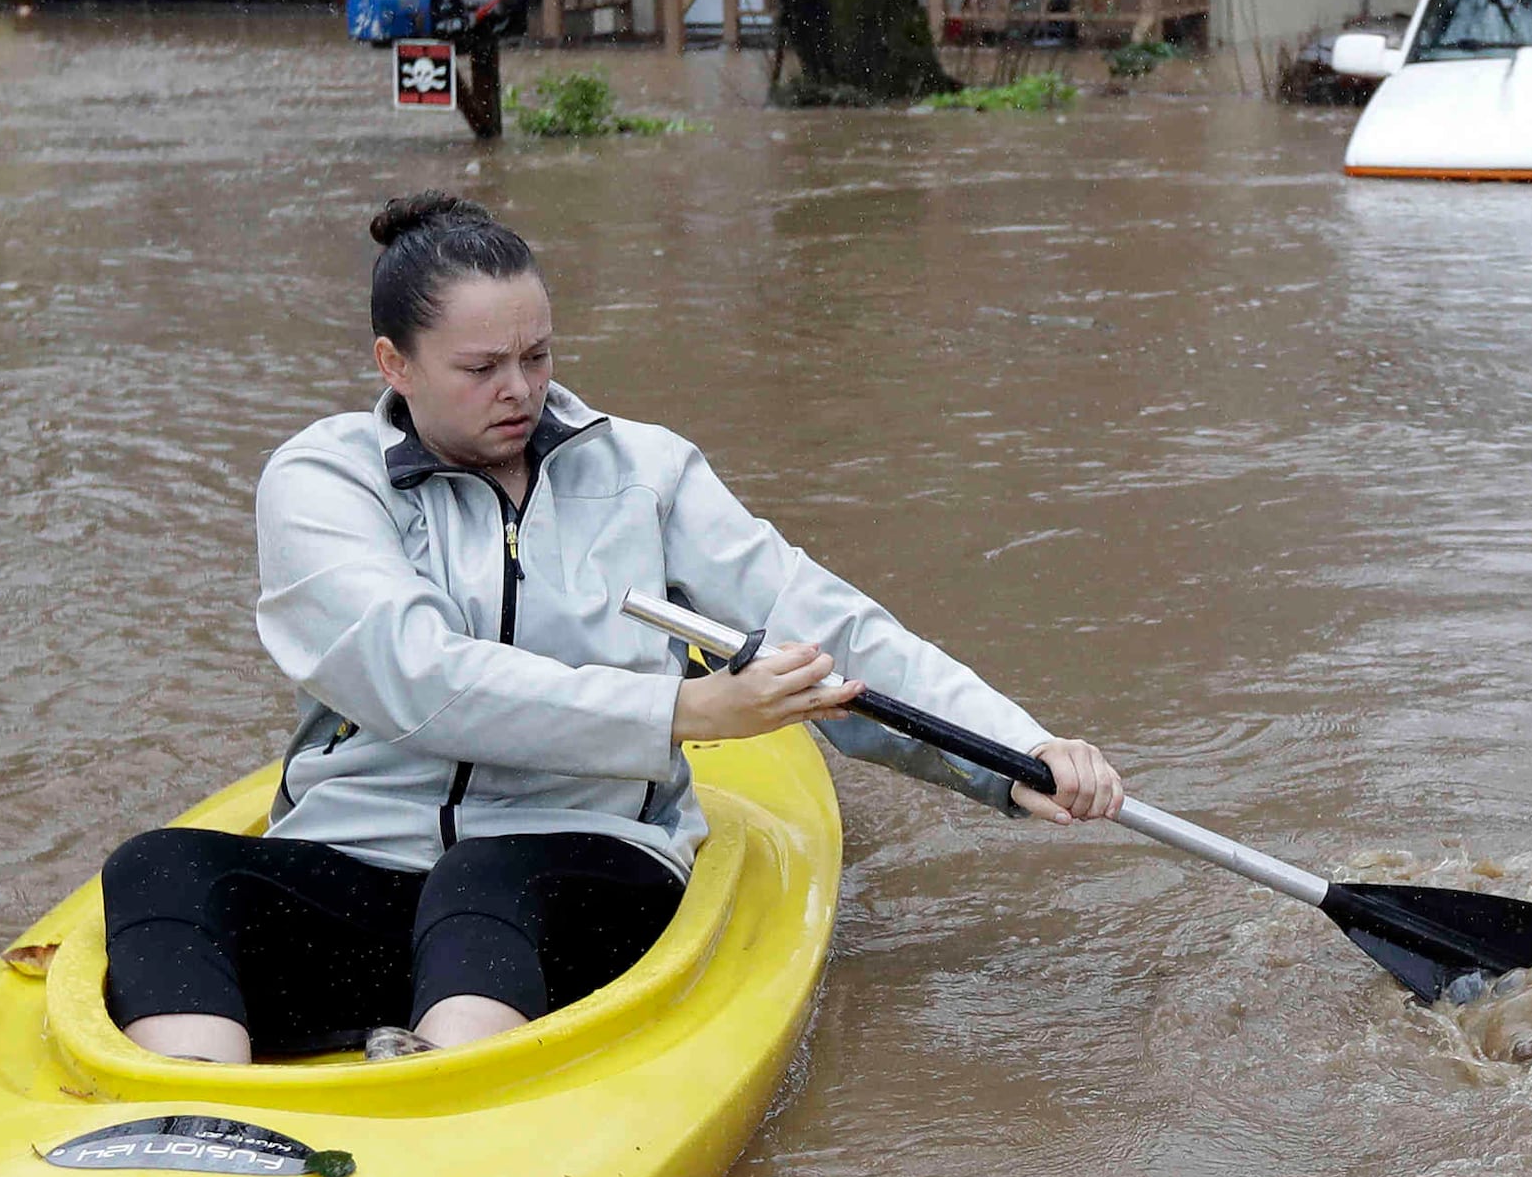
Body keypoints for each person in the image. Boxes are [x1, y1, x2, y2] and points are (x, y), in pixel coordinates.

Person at [100, 194, 1122, 1064]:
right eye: (482, 366)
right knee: (156, 866)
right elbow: (413, 677)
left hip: (580, 866)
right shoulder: (321, 481)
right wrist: (680, 708)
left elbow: (826, 628)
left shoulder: (645, 471)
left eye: (537, 355)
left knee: (484, 876)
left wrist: (1013, 752)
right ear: (392, 363)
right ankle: (193, 1125)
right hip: (367, 870)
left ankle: (449, 1091)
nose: (520, 389)